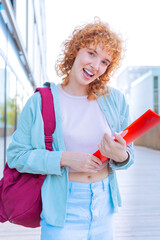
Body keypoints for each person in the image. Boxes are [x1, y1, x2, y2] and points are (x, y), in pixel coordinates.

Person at [7, 17, 134, 240]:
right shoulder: (40, 102)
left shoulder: (115, 100)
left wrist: (120, 155)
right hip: (62, 206)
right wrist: (64, 158)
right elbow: (16, 156)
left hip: (105, 204)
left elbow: (128, 157)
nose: (96, 66)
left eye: (105, 62)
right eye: (91, 53)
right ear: (75, 50)